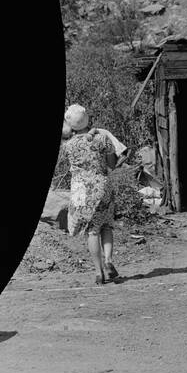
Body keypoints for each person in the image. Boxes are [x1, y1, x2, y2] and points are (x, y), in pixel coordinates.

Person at [61, 104, 128, 285]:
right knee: (106, 226)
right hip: (101, 186)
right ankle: (108, 260)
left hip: (81, 191)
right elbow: (112, 165)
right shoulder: (101, 138)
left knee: (92, 231)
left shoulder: (68, 146)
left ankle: (99, 273)